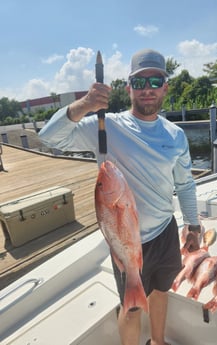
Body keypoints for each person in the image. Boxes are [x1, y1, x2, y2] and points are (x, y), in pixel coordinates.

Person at [39, 48, 200, 345]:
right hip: (126, 239)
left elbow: (186, 184)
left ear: (166, 86)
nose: (147, 89)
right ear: (129, 89)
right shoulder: (108, 126)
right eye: (139, 83)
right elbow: (49, 138)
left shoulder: (175, 135)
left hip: (165, 231)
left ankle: (158, 342)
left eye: (155, 81)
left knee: (161, 291)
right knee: (132, 306)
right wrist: (85, 105)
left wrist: (193, 223)